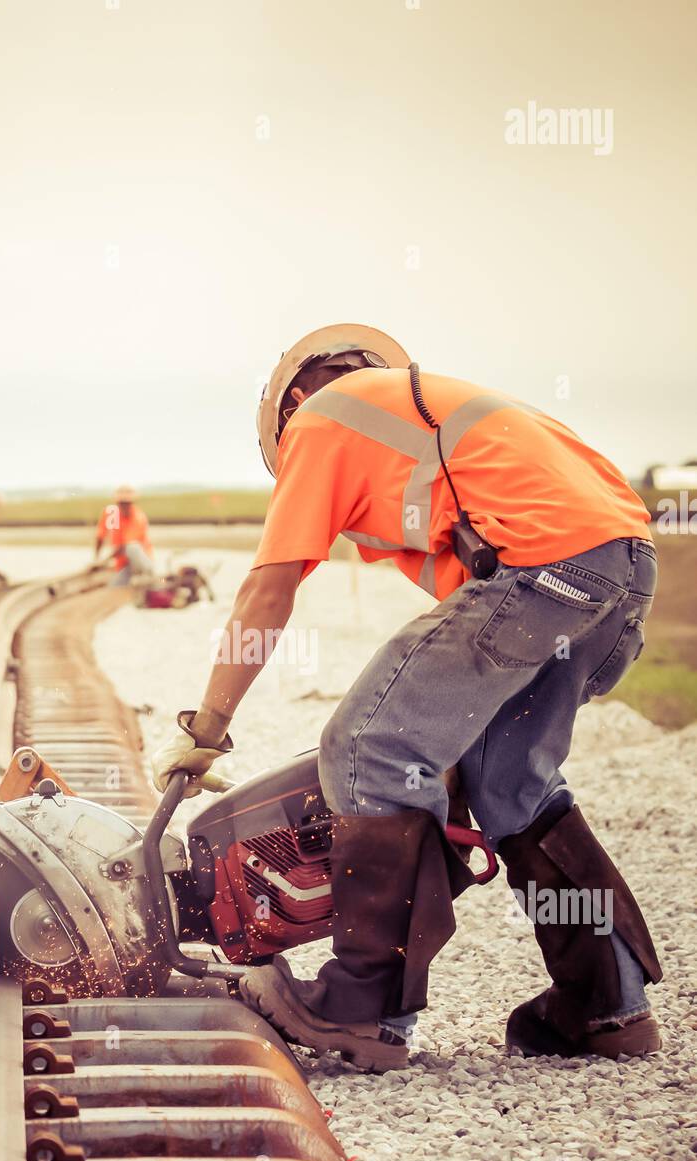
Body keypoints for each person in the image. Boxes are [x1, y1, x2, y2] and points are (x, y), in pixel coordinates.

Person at [151, 323, 662, 1073]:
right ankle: (607, 1005)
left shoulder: (325, 416)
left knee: (368, 749)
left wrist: (210, 725)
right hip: (622, 572)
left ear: (294, 400)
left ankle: (365, 1010)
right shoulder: (436, 433)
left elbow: (269, 590)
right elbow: (472, 651)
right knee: (510, 781)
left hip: (548, 568)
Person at [94, 485, 155, 587]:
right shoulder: (110, 513)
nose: (124, 506)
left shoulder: (137, 517)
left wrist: (104, 561)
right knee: (115, 587)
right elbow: (100, 537)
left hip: (141, 561)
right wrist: (96, 559)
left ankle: (148, 576)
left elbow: (124, 546)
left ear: (132, 503)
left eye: (127, 503)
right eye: (122, 503)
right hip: (124, 563)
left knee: (132, 547)